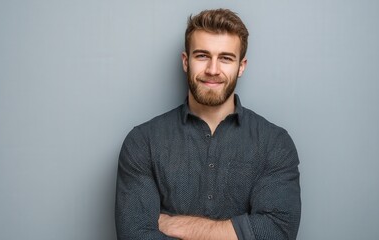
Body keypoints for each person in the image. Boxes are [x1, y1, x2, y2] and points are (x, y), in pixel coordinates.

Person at [115, 8, 301, 240]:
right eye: (202, 55)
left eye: (225, 58)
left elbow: (276, 232)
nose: (213, 70)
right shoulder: (143, 142)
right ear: (186, 61)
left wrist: (179, 225)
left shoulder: (275, 143)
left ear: (241, 66)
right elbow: (134, 234)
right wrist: (241, 231)